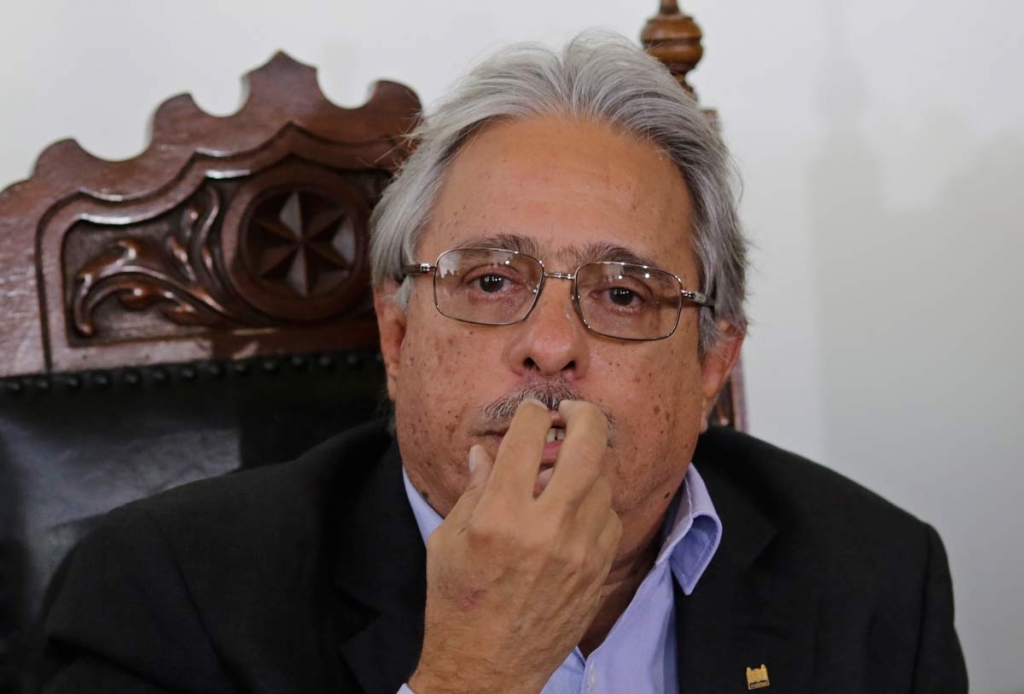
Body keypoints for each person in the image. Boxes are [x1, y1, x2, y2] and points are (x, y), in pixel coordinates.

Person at [36, 33, 968, 693]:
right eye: (488, 280)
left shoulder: (876, 578)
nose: (552, 344)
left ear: (714, 363)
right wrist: (473, 676)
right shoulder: (166, 594)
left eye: (623, 293)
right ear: (397, 339)